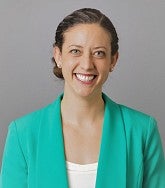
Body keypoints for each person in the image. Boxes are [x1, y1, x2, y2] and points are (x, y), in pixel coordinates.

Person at [0, 8, 165, 188]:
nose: (87, 65)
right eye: (75, 51)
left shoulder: (142, 131)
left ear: (113, 60)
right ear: (58, 56)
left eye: (99, 53)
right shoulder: (22, 134)